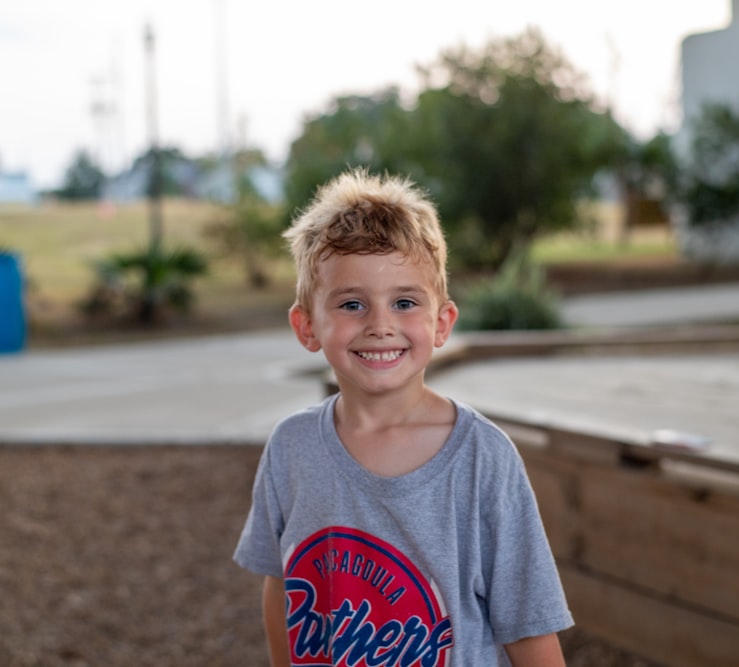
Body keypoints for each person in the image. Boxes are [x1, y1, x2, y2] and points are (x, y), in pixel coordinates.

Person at [234, 169, 573, 666]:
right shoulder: (291, 447)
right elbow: (281, 584)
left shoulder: (483, 457)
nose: (380, 325)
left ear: (441, 323)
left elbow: (530, 628)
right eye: (352, 304)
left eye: (405, 302)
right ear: (307, 327)